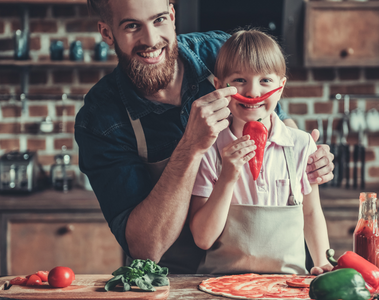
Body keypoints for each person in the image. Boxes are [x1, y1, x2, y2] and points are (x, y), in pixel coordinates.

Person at [76, 0, 335, 274]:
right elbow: (145, 248)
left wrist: (306, 156)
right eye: (131, 26)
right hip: (173, 281)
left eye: (159, 20)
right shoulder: (100, 119)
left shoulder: (222, 51)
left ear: (173, 15)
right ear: (107, 33)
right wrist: (190, 147)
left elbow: (273, 116)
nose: (151, 39)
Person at [189, 29, 333, 275]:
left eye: (265, 80)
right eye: (239, 80)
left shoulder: (301, 145)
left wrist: (323, 263)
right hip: (222, 284)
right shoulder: (208, 148)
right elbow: (203, 239)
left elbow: (310, 213)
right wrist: (227, 176)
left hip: (287, 285)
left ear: (280, 87)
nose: (253, 92)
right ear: (218, 86)